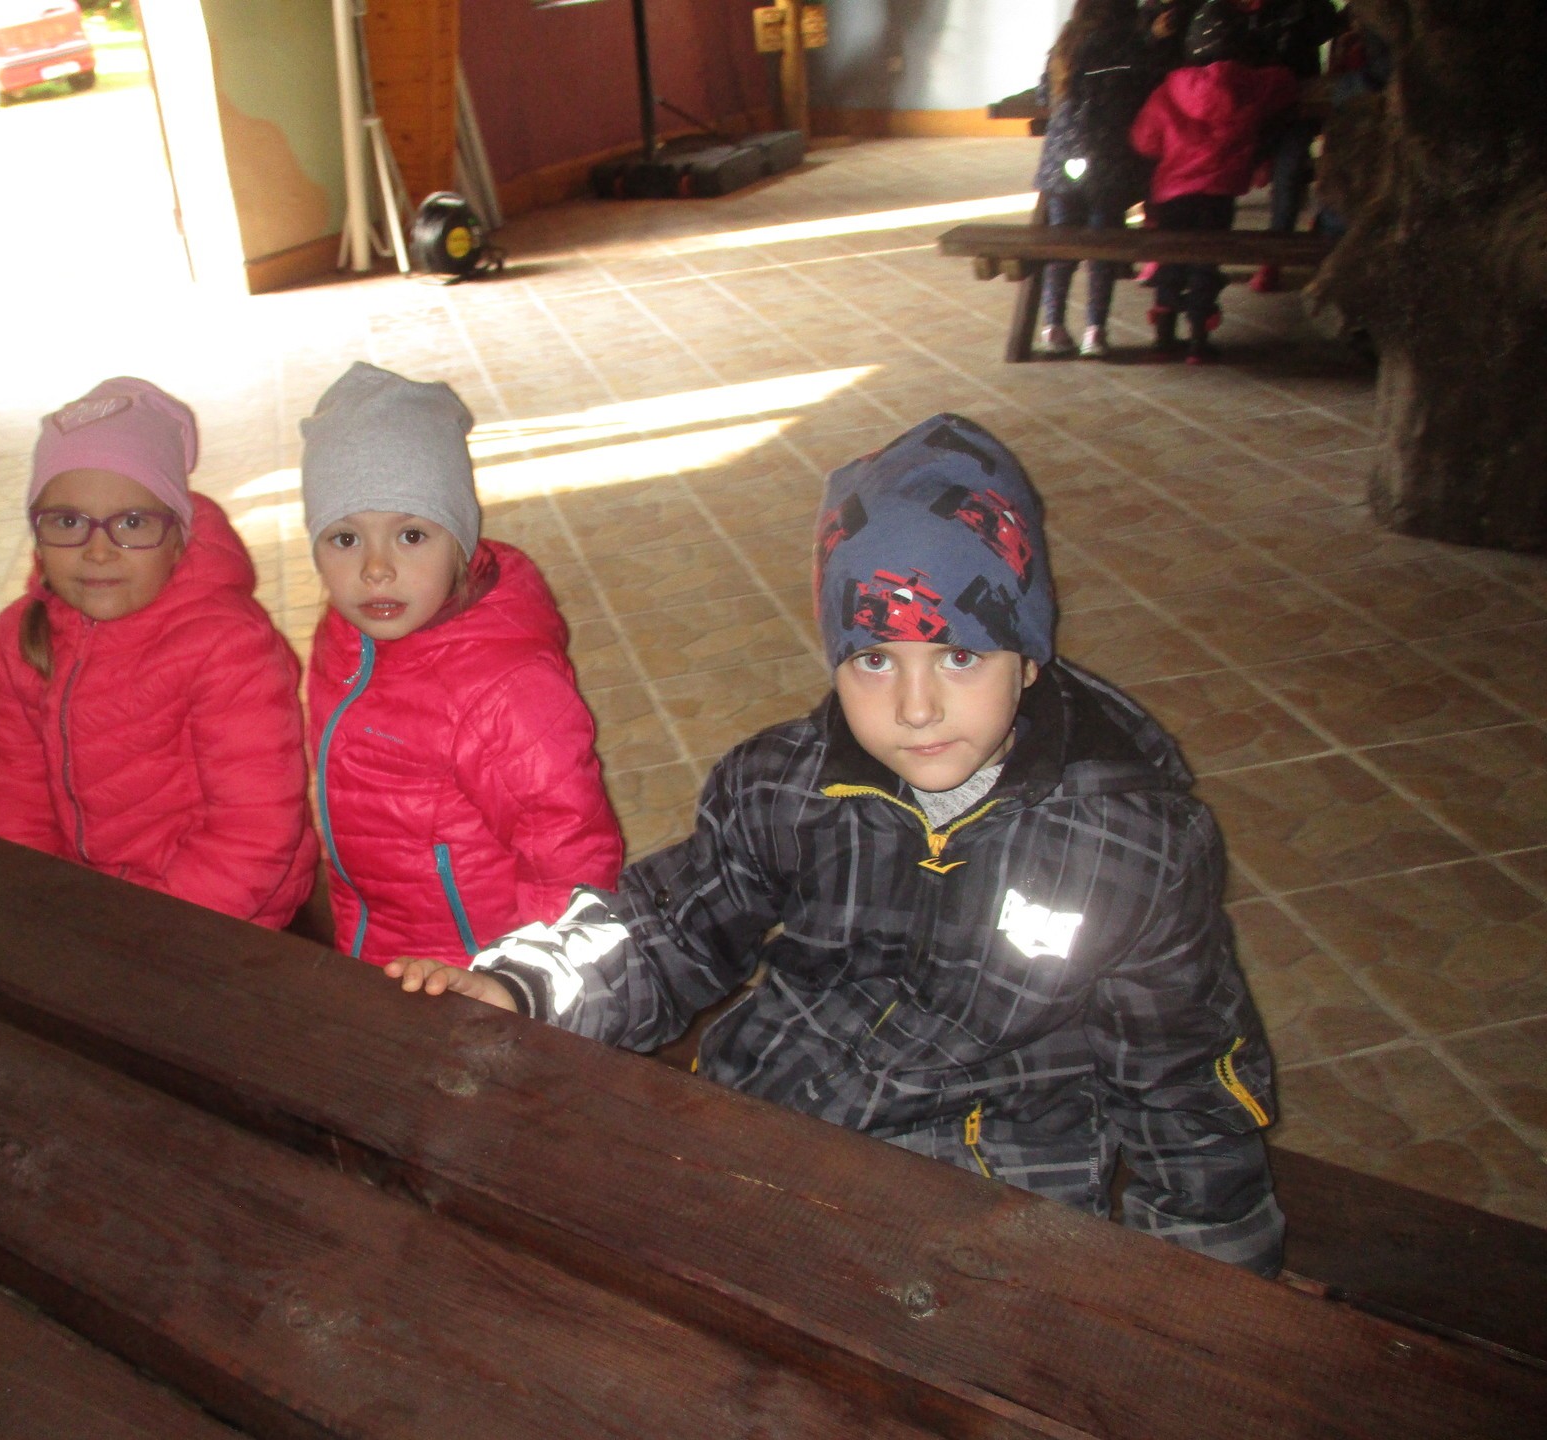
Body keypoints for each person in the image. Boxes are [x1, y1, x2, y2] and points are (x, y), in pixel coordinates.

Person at [385, 413, 1286, 1276]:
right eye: (875, 659)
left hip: (986, 1200)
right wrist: (525, 984)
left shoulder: (1132, 847)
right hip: (767, 1137)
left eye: (961, 656)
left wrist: (1212, 1281)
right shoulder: (782, 786)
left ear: (1029, 654)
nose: (917, 707)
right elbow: (666, 929)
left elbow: (1184, 1082)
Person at [301, 362, 623, 968]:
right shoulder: (346, 640)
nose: (375, 569)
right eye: (344, 538)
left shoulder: (505, 690)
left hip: (478, 970)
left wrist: (531, 983)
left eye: (411, 535)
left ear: (460, 540)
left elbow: (569, 854)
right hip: (378, 943)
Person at [0, 376, 318, 928]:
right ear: (37, 532)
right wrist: (34, 898)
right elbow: (13, 792)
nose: (98, 550)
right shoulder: (21, 635)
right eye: (67, 521)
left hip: (221, 911)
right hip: (90, 907)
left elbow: (254, 829)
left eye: (132, 523)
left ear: (180, 537)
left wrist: (148, 929)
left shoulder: (229, 646)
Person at [1130, 0, 1300, 362]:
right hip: (1219, 193)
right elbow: (1286, 84)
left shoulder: (1169, 87)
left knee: (1171, 257)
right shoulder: (1251, 84)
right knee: (1206, 261)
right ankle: (1198, 339)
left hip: (1172, 194)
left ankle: (1164, 330)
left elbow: (1144, 140)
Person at [1033, 0, 1159, 359]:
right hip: (1110, 163)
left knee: (1062, 244)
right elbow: (1146, 90)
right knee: (1103, 248)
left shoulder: (1066, 42)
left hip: (1061, 162)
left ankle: (1052, 325)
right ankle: (1095, 331)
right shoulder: (1129, 45)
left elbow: (1044, 95)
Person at [1241, 0, 1342, 292]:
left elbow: (1325, 27)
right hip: (1256, 102)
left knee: (1288, 176)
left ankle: (1273, 260)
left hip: (1297, 102)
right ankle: (1196, 267)